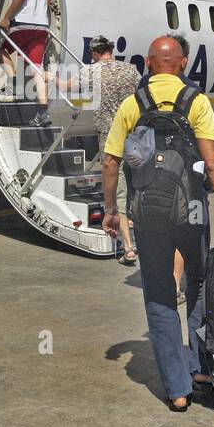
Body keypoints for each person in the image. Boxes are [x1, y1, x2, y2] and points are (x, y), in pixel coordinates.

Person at [100, 35, 214, 411]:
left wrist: (112, 211)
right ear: (183, 63)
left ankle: (178, 391)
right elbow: (212, 164)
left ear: (149, 63)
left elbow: (110, 162)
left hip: (148, 214)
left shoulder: (133, 104)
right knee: (198, 286)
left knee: (160, 295)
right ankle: (200, 368)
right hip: (192, 212)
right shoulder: (196, 101)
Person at [57, 35, 141, 264]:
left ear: (94, 52)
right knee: (136, 183)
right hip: (135, 133)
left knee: (117, 189)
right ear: (111, 50)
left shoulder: (90, 72)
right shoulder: (131, 70)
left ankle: (129, 248)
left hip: (110, 136)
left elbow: (67, 87)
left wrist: (46, 77)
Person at [0, 0, 52, 125]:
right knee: (36, 68)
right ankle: (43, 112)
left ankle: (13, 85)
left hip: (23, 23)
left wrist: (6, 18)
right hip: (41, 25)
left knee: (0, 49)